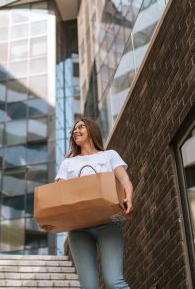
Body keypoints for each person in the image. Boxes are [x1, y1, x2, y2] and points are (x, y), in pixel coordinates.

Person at [40, 118, 133, 289]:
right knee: (88, 287)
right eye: (74, 130)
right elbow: (58, 194)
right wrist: (51, 220)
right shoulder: (68, 163)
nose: (75, 131)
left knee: (114, 282)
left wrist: (129, 197)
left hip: (108, 223)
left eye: (80, 127)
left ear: (92, 130)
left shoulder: (109, 155)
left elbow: (124, 178)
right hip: (78, 230)